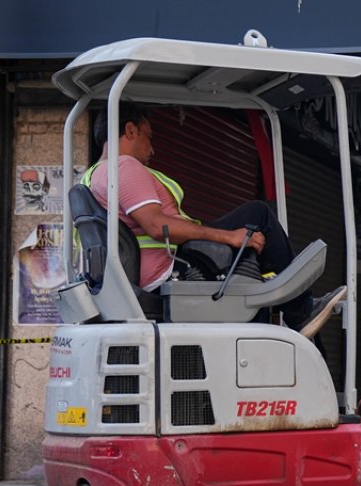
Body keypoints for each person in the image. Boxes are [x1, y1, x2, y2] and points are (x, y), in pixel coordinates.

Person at [88, 103, 343, 337]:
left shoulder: (91, 177)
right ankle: (301, 312)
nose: (152, 148)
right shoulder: (124, 167)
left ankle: (298, 311)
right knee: (258, 215)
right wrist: (228, 236)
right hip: (174, 265)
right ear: (130, 130)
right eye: (149, 136)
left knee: (254, 259)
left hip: (163, 265)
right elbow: (158, 226)